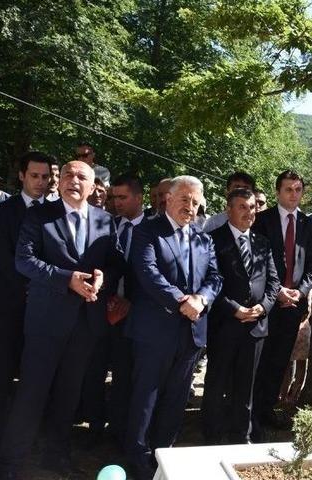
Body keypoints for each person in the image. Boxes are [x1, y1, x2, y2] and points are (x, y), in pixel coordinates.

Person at [0, 161, 124, 480]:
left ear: (94, 187)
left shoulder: (106, 221)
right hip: (45, 321)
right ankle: (12, 463)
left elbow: (116, 264)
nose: (73, 181)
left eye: (82, 177)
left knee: (69, 395)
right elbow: (24, 261)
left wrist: (101, 279)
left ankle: (57, 456)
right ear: (59, 180)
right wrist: (67, 279)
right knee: (32, 393)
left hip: (85, 324)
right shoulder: (39, 215)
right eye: (67, 174)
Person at [123, 175, 222, 479]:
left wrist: (202, 300)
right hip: (155, 331)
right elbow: (148, 273)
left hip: (190, 333)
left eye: (195, 202)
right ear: (167, 198)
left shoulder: (204, 238)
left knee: (176, 398)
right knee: (146, 397)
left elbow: (215, 278)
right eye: (184, 199)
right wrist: (182, 301)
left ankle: (162, 456)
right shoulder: (147, 232)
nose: (190, 207)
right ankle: (137, 461)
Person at [0, 152, 52, 455]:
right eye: (34, 176)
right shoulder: (4, 210)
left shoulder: (55, 212)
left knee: (35, 374)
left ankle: (31, 436)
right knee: (0, 372)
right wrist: (30, 284)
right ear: (22, 176)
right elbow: (2, 254)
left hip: (45, 307)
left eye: (46, 176)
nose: (40, 182)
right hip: (10, 302)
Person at [202, 188, 279, 444]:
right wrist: (234, 308)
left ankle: (241, 436)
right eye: (243, 207)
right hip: (224, 324)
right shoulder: (212, 240)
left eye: (253, 207)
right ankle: (212, 435)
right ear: (229, 210)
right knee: (216, 383)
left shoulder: (262, 242)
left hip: (255, 326)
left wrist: (263, 308)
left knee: (246, 386)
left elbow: (273, 283)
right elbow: (210, 282)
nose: (249, 212)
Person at [251, 171, 312, 439]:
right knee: (261, 361)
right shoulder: (263, 221)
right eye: (288, 189)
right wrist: (277, 290)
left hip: (294, 306)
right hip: (268, 303)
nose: (293, 194)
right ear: (278, 192)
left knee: (280, 362)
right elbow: (256, 262)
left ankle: (267, 410)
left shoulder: (307, 224)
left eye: (298, 189)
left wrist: (300, 292)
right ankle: (251, 416)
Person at [79, 173, 146, 443]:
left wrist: (132, 301)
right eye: (113, 197)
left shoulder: (153, 230)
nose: (116, 202)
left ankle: (120, 429)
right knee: (94, 368)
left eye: (122, 197)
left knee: (125, 374)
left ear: (139, 198)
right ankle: (93, 425)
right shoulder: (107, 225)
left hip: (136, 314)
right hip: (101, 309)